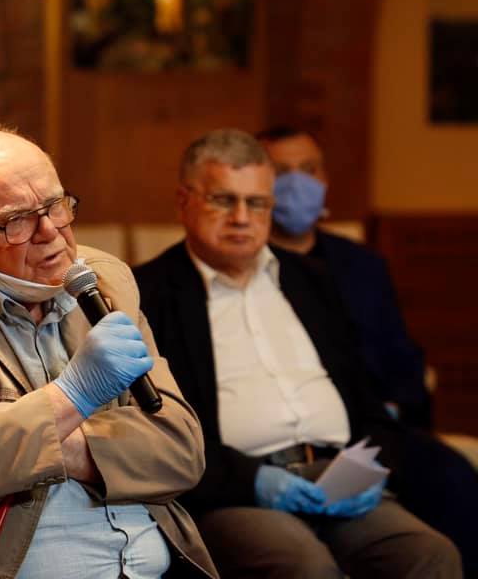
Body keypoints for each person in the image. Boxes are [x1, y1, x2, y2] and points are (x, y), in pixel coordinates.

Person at [0, 123, 218, 578]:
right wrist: (72, 397)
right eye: (17, 220)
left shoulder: (103, 278)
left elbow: (181, 450)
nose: (50, 232)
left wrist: (35, 450)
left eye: (55, 206)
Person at [133, 129, 461, 578]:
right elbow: (154, 432)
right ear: (183, 202)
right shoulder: (147, 294)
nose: (242, 218)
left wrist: (374, 467)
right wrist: (254, 482)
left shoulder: (313, 280)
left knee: (431, 554)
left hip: (339, 475)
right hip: (236, 491)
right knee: (305, 568)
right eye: (223, 201)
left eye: (257, 203)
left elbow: (366, 402)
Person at [257, 124, 478, 574]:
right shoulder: (250, 271)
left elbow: (402, 355)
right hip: (302, 437)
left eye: (308, 169)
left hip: (379, 432)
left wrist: (394, 410)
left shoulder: (362, 264)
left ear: (324, 178)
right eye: (281, 172)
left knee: (452, 481)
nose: (297, 183)